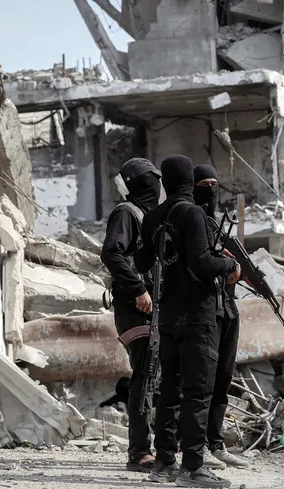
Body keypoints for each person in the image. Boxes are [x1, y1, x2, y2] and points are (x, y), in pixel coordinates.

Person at [135, 155, 240, 488]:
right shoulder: (193, 213)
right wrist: (230, 265)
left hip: (168, 316)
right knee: (198, 392)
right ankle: (193, 468)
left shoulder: (153, 217)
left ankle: (164, 462)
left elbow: (141, 261)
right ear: (188, 182)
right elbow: (203, 264)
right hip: (198, 315)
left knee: (169, 391)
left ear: (165, 182)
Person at [100, 157, 162, 473]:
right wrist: (138, 289)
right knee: (145, 375)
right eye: (152, 179)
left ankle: (162, 447)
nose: (157, 185)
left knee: (156, 376)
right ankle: (139, 451)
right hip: (135, 309)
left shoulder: (149, 216)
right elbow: (112, 253)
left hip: (154, 309)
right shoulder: (127, 213)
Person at [192, 164, 249, 470]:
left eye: (215, 184)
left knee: (223, 379)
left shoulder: (215, 224)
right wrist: (225, 265)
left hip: (227, 308)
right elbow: (200, 264)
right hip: (204, 312)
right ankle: (196, 446)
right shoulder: (190, 221)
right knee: (202, 382)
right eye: (204, 184)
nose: (211, 190)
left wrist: (233, 269)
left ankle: (215, 443)